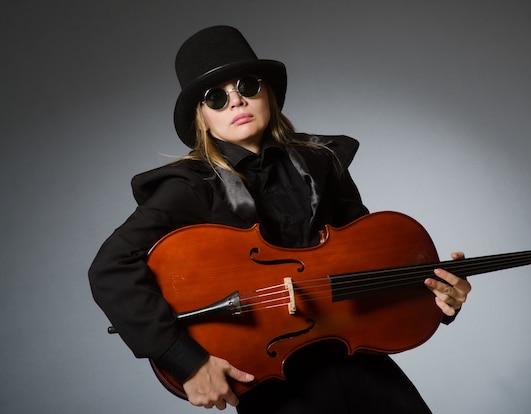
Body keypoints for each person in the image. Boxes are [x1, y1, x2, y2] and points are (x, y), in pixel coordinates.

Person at [88, 25, 471, 413]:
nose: (236, 102)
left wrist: (432, 296)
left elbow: (365, 267)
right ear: (202, 118)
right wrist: (186, 360)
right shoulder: (192, 186)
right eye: (216, 97)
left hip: (359, 364)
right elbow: (111, 268)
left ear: (268, 92)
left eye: (248, 86)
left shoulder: (321, 161)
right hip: (276, 384)